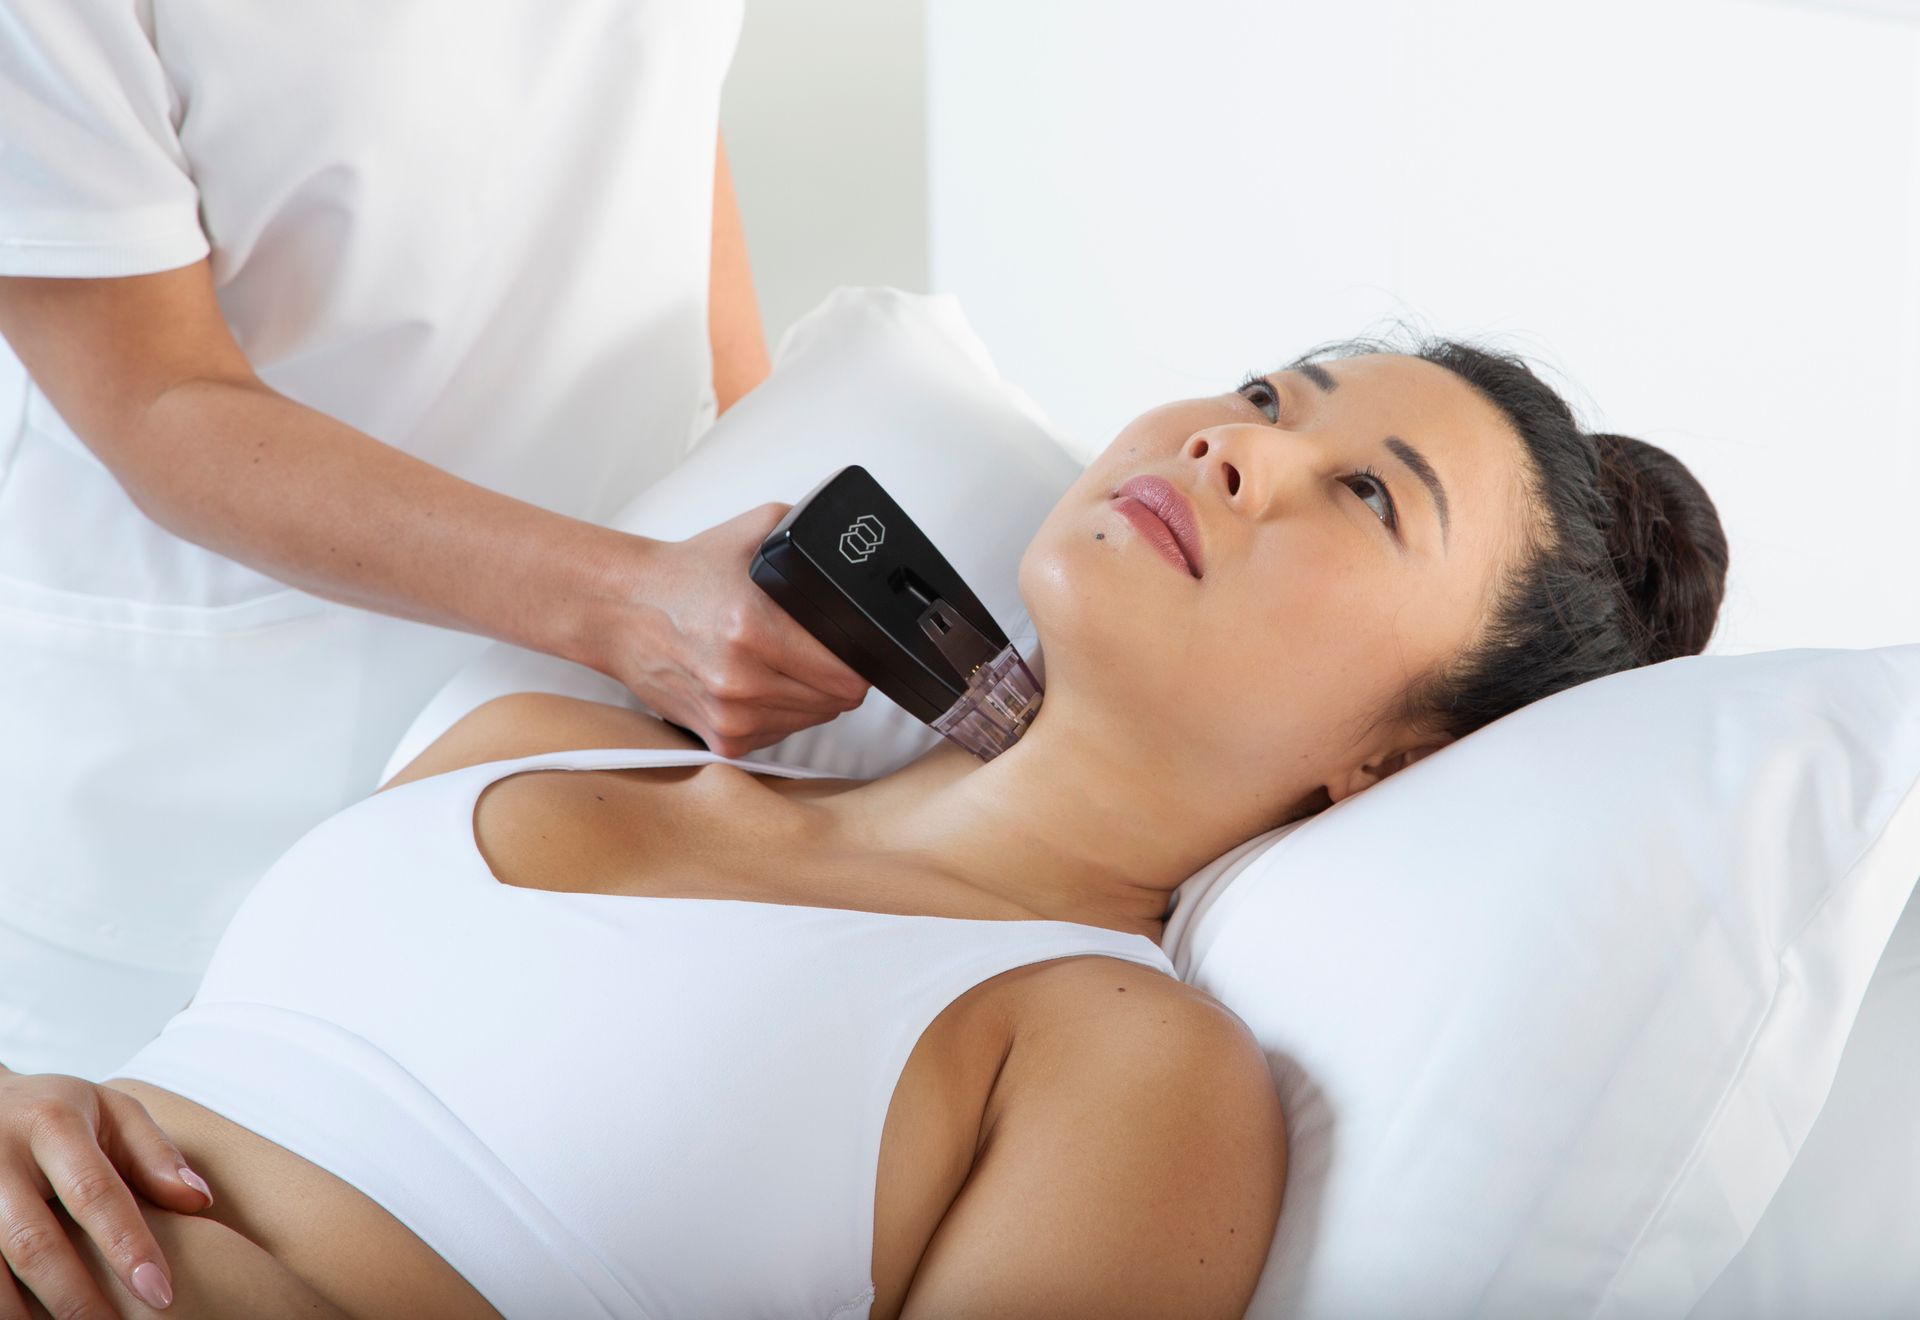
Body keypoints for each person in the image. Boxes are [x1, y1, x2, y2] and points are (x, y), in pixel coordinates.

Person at [0, 339, 1730, 1318]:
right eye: (1275, 395)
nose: (1235, 447)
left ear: (1394, 761)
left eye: (1364, 495)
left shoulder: (1119, 1064)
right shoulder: (531, 738)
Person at [0, 0, 870, 1079]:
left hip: (639, 712)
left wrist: (765, 496)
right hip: (224, 774)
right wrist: (629, 605)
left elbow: (663, 112)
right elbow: (158, 394)